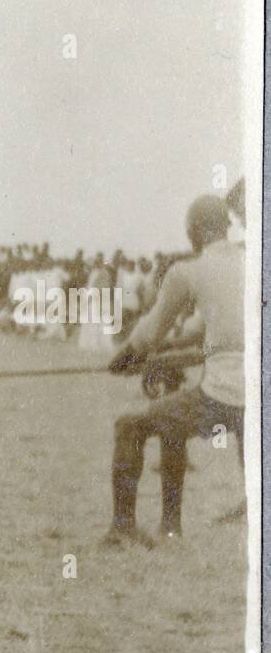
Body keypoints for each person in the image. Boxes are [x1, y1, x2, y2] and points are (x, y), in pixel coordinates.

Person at [104, 195, 245, 546]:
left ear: (194, 233)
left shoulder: (188, 271)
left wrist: (126, 357)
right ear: (227, 227)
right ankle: (170, 525)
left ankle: (125, 528)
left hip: (226, 394)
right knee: (174, 421)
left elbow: (150, 331)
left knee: (130, 427)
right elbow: (206, 328)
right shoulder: (253, 260)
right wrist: (165, 352)